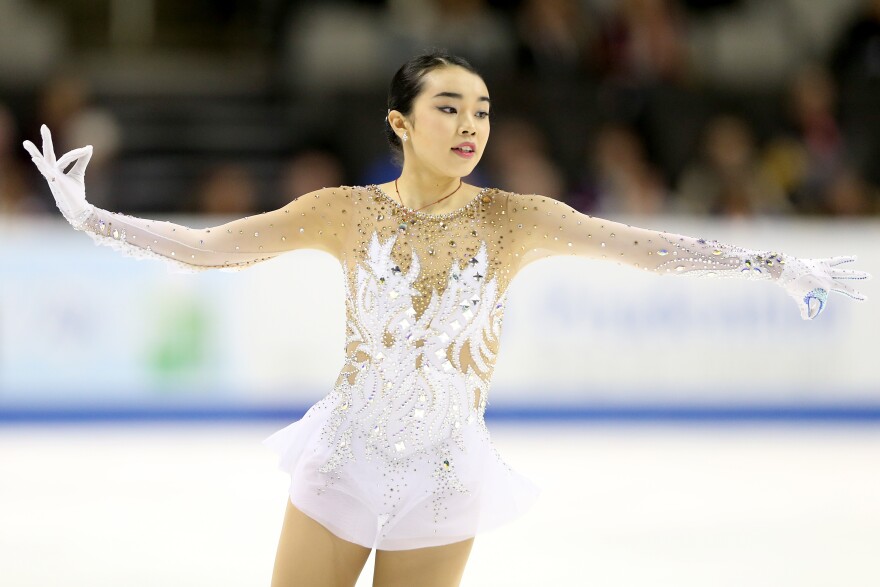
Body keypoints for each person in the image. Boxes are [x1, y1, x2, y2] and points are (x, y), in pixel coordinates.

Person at [24, 50, 869, 587]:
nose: (471, 125)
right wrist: (91, 218)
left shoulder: (514, 219)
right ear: (401, 122)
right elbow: (212, 248)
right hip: (343, 462)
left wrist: (767, 262)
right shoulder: (343, 212)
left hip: (445, 475)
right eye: (450, 108)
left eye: (483, 110)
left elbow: (644, 248)